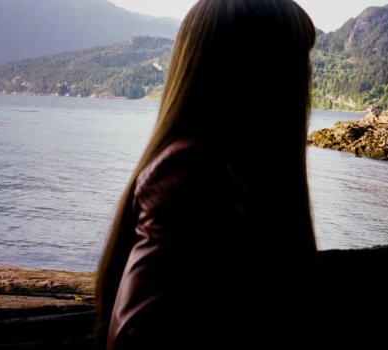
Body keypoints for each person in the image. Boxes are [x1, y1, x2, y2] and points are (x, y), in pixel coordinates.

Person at [94, 0, 317, 348]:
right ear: (260, 74)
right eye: (297, 62)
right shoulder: (192, 177)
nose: (307, 80)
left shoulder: (214, 172)